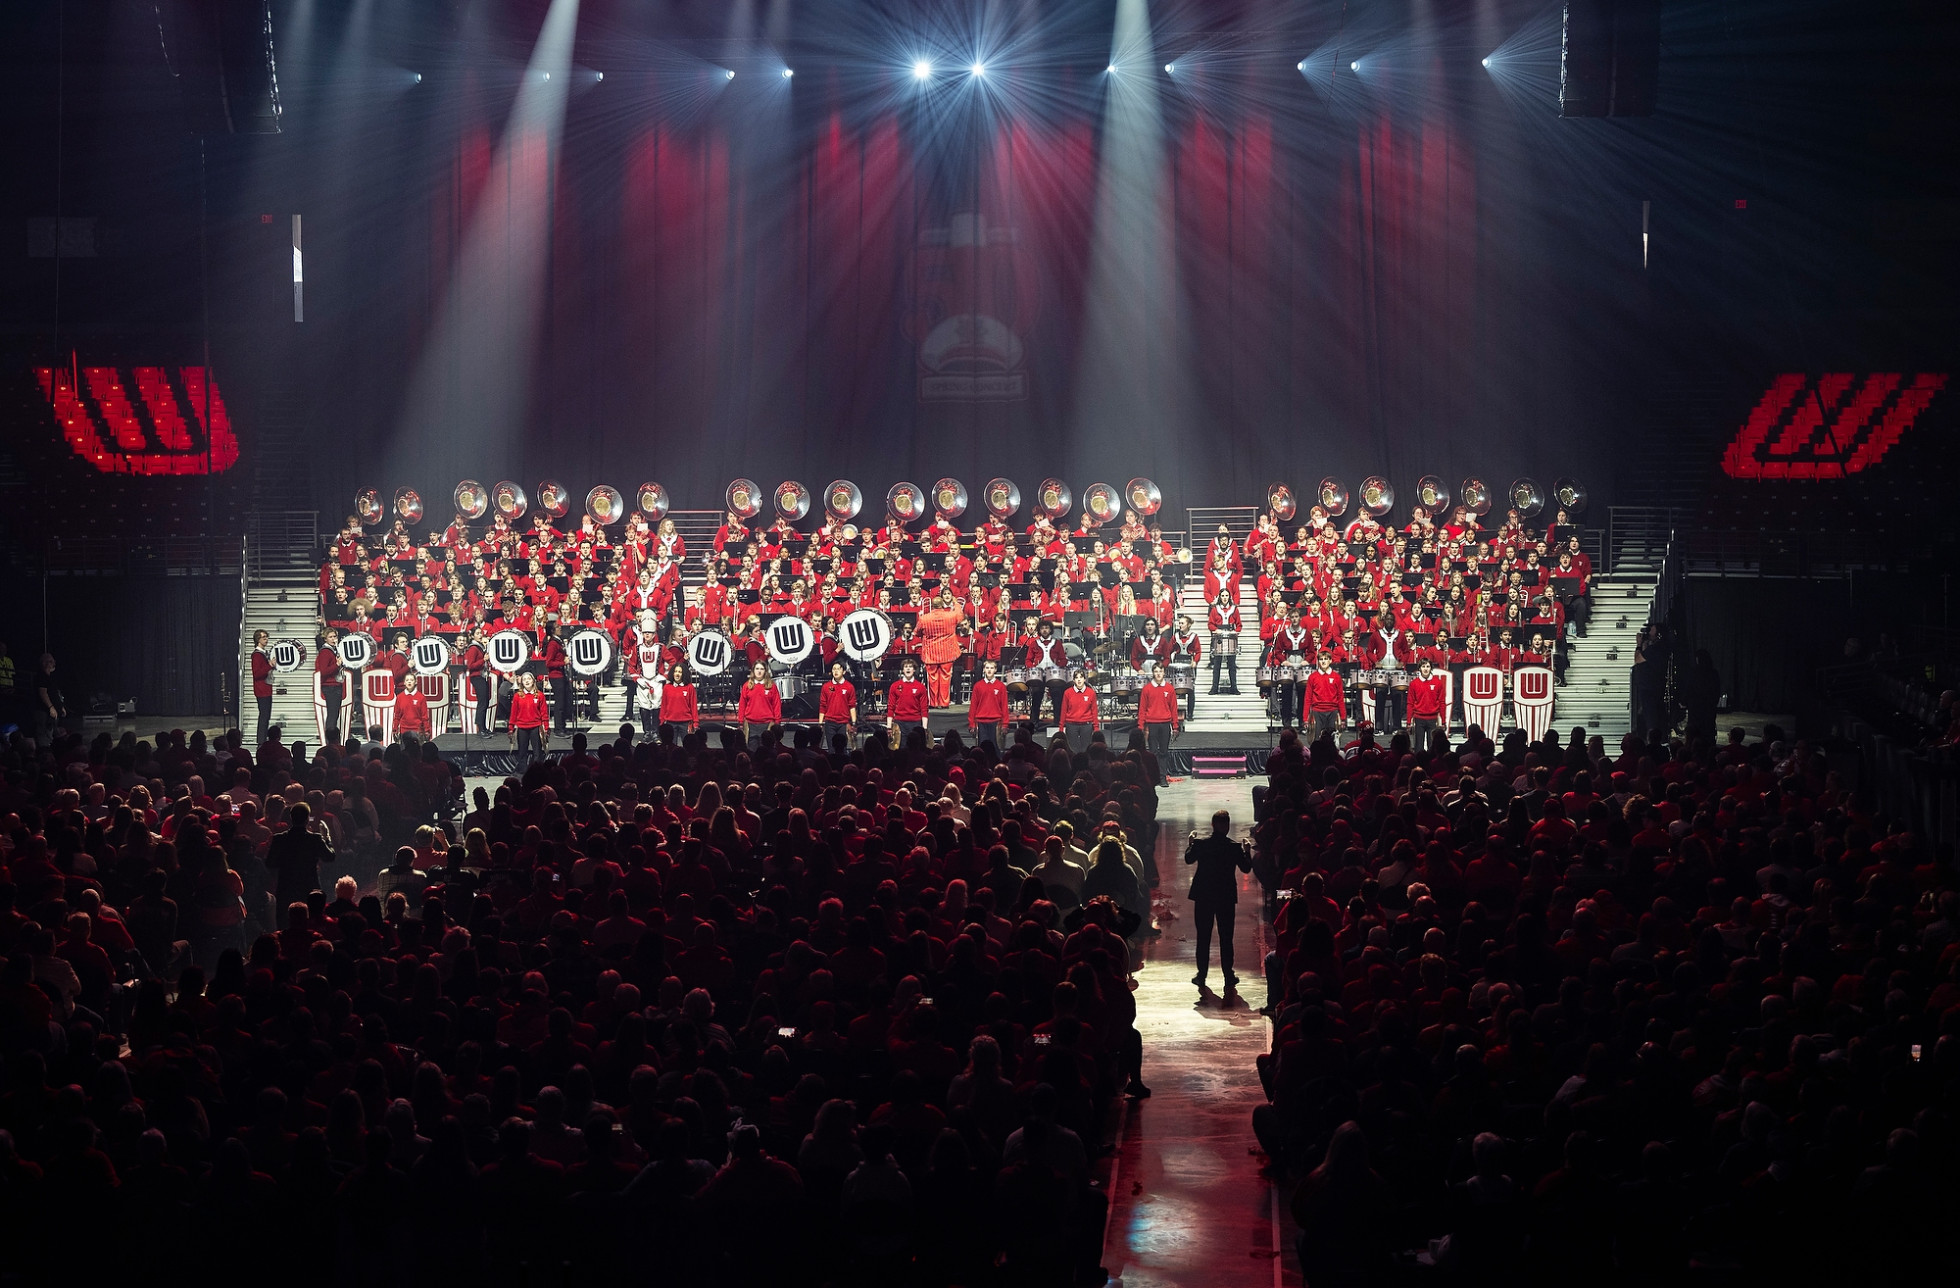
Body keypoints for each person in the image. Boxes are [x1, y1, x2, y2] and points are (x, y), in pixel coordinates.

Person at [1184, 809, 1251, 994]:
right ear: (1227, 825)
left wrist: (1190, 843)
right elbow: (1246, 868)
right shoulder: (1234, 847)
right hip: (1225, 896)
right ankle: (1228, 975)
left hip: (1204, 895)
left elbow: (1188, 859)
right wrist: (1247, 851)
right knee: (1226, 937)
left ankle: (1202, 975)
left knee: (1203, 937)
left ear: (1212, 825)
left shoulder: (1201, 844)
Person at [265, 800, 333, 929]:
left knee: (286, 924)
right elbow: (330, 857)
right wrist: (327, 839)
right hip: (309, 886)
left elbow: (270, 863)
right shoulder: (315, 838)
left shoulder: (279, 839)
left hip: (286, 887)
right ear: (307, 819)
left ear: (291, 818)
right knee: (311, 923)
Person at [917, 590, 964, 708]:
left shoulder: (924, 618)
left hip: (931, 653)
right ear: (942, 605)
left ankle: (933, 703)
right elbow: (960, 616)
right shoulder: (951, 615)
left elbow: (917, 632)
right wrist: (955, 603)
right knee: (946, 677)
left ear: (932, 606)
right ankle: (944, 703)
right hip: (947, 652)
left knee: (932, 678)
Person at [1023, 621, 1069, 729]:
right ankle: (1033, 723)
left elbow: (1063, 659)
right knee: (1036, 696)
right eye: (1042, 628)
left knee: (1057, 697)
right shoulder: (1034, 643)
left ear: (1050, 630)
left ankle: (1058, 722)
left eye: (1047, 628)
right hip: (1039, 674)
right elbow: (1028, 660)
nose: (1044, 630)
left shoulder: (1057, 643)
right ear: (1039, 630)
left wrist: (1058, 666)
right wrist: (1032, 668)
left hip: (1054, 674)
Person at [1137, 662, 1180, 767]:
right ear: (1153, 673)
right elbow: (1142, 709)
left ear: (1164, 672)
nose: (1158, 674)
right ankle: (1154, 777)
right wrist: (1140, 726)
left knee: (1164, 752)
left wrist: (1175, 726)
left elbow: (1174, 708)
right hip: (1151, 724)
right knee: (1153, 752)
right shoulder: (1147, 689)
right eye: (1156, 671)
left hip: (1165, 724)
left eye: (1160, 671)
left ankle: (1163, 777)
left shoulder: (1169, 689)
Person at [509, 673, 551, 768]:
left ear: (533, 681)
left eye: (529, 679)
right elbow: (513, 713)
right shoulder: (517, 696)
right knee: (522, 752)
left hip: (536, 727)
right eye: (524, 679)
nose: (527, 681)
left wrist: (546, 728)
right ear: (522, 682)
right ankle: (522, 772)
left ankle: (537, 772)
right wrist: (511, 727)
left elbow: (544, 713)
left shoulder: (540, 695)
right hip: (522, 727)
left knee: (537, 752)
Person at [967, 657, 1010, 750]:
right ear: (983, 669)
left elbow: (1004, 706)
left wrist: (1005, 724)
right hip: (981, 722)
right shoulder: (978, 686)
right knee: (982, 750)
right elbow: (973, 706)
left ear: (995, 670)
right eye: (987, 668)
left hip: (996, 723)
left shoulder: (1001, 686)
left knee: (996, 750)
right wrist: (972, 724)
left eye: (991, 668)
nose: (989, 670)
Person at [1303, 652, 1346, 741]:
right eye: (1321, 659)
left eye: (1326, 659)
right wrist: (1305, 718)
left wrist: (1343, 718)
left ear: (1330, 661)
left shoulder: (1336, 677)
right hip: (1317, 712)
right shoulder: (1312, 677)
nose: (1323, 662)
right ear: (1318, 661)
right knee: (1317, 740)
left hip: (1332, 711)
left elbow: (1340, 698)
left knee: (1333, 740)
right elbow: (1307, 698)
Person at [737, 661, 782, 746]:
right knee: (752, 752)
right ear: (753, 670)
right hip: (750, 725)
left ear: (765, 671)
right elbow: (742, 705)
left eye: (762, 669)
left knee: (767, 752)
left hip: (767, 724)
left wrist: (777, 721)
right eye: (757, 669)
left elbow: (777, 705)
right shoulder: (747, 686)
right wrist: (740, 721)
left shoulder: (772, 686)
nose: (759, 671)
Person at [1406, 656, 1447, 746]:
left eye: (1428, 666)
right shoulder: (1414, 683)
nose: (1425, 669)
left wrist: (1443, 721)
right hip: (1419, 718)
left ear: (1431, 668)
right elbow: (1410, 703)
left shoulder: (1438, 683)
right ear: (1419, 668)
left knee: (1432, 746)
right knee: (1418, 746)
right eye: (1423, 666)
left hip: (1433, 719)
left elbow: (1442, 703)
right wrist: (1409, 722)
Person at [1057, 672, 1101, 757]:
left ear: (1085, 679)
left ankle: (1085, 768)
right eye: (1076, 678)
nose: (1079, 680)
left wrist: (1096, 727)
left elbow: (1094, 711)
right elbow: (1063, 710)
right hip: (1071, 725)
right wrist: (1061, 727)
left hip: (1086, 725)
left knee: (1086, 750)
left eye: (1081, 677)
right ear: (1073, 680)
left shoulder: (1091, 693)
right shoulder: (1067, 693)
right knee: (1073, 750)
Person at [886, 657, 929, 744]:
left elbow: (924, 708)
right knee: (901, 749)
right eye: (906, 667)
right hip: (899, 723)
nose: (908, 668)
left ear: (914, 670)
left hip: (916, 723)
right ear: (902, 670)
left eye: (910, 666)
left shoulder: (921, 687)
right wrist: (889, 727)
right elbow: (891, 707)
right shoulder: (895, 686)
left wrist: (924, 728)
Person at [818, 660, 857, 747]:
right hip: (829, 723)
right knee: (831, 749)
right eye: (834, 669)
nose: (836, 671)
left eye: (838, 669)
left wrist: (854, 723)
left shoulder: (849, 687)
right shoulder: (826, 687)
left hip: (843, 723)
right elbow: (822, 705)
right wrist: (820, 723)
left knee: (842, 749)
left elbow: (852, 706)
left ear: (843, 671)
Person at [32, 653, 65, 743]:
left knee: (51, 733)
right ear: (44, 663)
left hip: (51, 713)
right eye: (51, 662)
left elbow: (54, 693)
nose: (53, 664)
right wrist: (51, 707)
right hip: (43, 711)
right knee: (43, 734)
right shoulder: (40, 676)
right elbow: (43, 693)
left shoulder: (50, 677)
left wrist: (60, 707)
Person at [658, 662, 699, 733]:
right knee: (670, 744)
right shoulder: (667, 687)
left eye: (680, 672)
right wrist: (661, 721)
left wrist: (695, 723)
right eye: (675, 671)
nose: (677, 674)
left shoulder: (690, 687)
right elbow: (663, 705)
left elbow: (693, 706)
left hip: (686, 722)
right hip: (670, 722)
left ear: (684, 674)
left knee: (687, 743)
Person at [250, 630, 275, 744]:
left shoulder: (263, 653)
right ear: (258, 640)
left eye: (266, 637)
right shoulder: (257, 655)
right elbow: (257, 673)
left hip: (266, 689)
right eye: (263, 637)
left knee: (266, 716)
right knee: (264, 717)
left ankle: (262, 740)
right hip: (262, 690)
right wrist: (268, 665)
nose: (266, 639)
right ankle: (261, 741)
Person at [393, 673, 432, 741]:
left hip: (417, 731)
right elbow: (397, 716)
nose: (409, 682)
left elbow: (424, 716)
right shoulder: (399, 697)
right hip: (404, 731)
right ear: (404, 683)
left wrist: (427, 730)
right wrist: (395, 729)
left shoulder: (421, 697)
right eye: (407, 680)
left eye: (411, 680)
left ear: (415, 682)